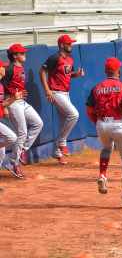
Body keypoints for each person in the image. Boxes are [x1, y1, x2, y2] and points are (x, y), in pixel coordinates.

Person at [86, 57, 122, 205]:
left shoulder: (97, 87)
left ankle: (102, 175)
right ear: (117, 71)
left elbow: (89, 110)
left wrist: (98, 123)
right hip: (118, 124)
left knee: (107, 147)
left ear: (105, 71)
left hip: (102, 124)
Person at [39, 34, 84, 164]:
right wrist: (47, 90)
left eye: (71, 43)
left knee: (63, 122)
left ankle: (56, 152)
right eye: (68, 44)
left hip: (65, 93)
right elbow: (42, 71)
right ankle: (62, 142)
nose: (71, 45)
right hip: (55, 92)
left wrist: (77, 74)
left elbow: (69, 75)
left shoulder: (70, 59)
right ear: (61, 45)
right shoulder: (54, 58)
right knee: (74, 115)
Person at [2, 43, 43, 167]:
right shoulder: (9, 69)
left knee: (38, 123)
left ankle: (22, 149)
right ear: (15, 56)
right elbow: (2, 86)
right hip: (12, 102)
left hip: (22, 101)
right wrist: (4, 105)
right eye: (22, 53)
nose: (25, 55)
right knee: (22, 132)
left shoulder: (21, 67)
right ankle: (14, 162)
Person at [0, 59, 20, 178]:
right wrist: (12, 99)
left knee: (1, 152)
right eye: (3, 67)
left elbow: (2, 103)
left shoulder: (1, 85)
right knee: (12, 137)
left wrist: (14, 98)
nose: (5, 69)